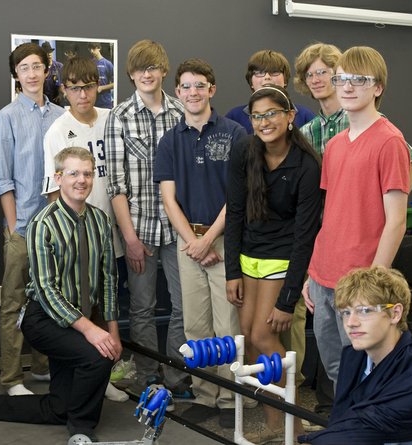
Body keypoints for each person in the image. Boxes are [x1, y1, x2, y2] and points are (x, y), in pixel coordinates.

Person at [0, 147, 120, 443]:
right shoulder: (43, 223)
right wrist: (93, 331)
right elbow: (47, 290)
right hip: (45, 319)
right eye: (73, 173)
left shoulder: (100, 220)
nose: (81, 180)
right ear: (58, 178)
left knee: (59, 406)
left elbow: (108, 280)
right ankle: (81, 429)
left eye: (87, 174)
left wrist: (112, 331)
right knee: (97, 356)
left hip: (81, 316)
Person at [303, 46, 410, 392]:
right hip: (323, 278)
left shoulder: (390, 141)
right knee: (337, 371)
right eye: (342, 79)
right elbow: (332, 213)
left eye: (359, 80)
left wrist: (372, 284)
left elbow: (395, 221)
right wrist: (311, 273)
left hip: (361, 283)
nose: (347, 87)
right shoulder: (334, 145)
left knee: (367, 374)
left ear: (377, 87)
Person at [225, 85, 321, 442]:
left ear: (290, 116)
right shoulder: (244, 151)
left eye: (272, 114)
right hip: (249, 257)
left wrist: (287, 299)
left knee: (265, 335)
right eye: (257, 116)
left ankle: (293, 426)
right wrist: (232, 271)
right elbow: (234, 213)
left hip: (283, 258)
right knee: (249, 342)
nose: (265, 122)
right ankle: (274, 425)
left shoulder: (307, 165)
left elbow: (305, 236)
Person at [154, 58, 247, 427]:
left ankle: (229, 398)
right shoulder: (170, 140)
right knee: (195, 324)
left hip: (223, 239)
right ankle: (206, 393)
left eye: (200, 86)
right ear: (177, 93)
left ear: (212, 90)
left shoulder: (236, 133)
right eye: (186, 86)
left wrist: (208, 239)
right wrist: (193, 242)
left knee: (227, 324)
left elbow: (237, 196)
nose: (193, 92)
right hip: (187, 241)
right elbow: (168, 197)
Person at [105, 39, 190, 398]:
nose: (146, 74)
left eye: (152, 67)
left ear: (163, 71)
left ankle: (177, 377)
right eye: (140, 68)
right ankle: (148, 377)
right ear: (130, 73)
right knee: (141, 308)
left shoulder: (182, 112)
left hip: (178, 229)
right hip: (139, 228)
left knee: (184, 306)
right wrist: (130, 238)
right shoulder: (119, 117)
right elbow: (116, 186)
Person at [42, 56, 127, 403]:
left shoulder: (112, 119)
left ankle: (103, 373)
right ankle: (88, 376)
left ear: (98, 87)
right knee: (82, 307)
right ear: (65, 91)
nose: (83, 94)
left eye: (89, 86)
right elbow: (52, 190)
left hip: (113, 228)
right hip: (79, 234)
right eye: (75, 88)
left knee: (109, 301)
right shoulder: (57, 130)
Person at [0, 42, 65, 396]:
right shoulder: (5, 118)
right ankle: (10, 378)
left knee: (49, 300)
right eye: (25, 68)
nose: (32, 74)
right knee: (13, 304)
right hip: (21, 227)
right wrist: (12, 228)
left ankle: (42, 369)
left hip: (54, 229)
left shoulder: (60, 117)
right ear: (16, 75)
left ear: (47, 70)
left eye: (37, 66)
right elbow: (2, 179)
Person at [299, 266, 412, 445]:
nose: (351, 323)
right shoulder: (354, 356)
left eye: (364, 311)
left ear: (395, 313)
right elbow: (341, 418)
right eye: (345, 312)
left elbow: (357, 430)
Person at [294, 42, 412, 186]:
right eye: (309, 75)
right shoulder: (307, 131)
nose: (315, 80)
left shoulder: (365, 121)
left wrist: (389, 202)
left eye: (322, 72)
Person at [226, 49, 316, 134]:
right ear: (251, 82)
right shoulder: (234, 117)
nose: (267, 77)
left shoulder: (305, 116)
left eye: (274, 72)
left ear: (285, 80)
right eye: (260, 73)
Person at [88, 42, 114, 109]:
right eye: (90, 49)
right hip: (92, 101)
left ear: (99, 48)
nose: (91, 51)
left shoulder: (108, 64)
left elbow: (116, 84)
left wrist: (102, 88)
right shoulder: (89, 64)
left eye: (93, 48)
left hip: (105, 102)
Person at [41, 41, 63, 106]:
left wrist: (61, 95)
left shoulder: (59, 66)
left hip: (57, 101)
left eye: (50, 52)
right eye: (46, 52)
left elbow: (64, 83)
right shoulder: (40, 68)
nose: (49, 54)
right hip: (43, 101)